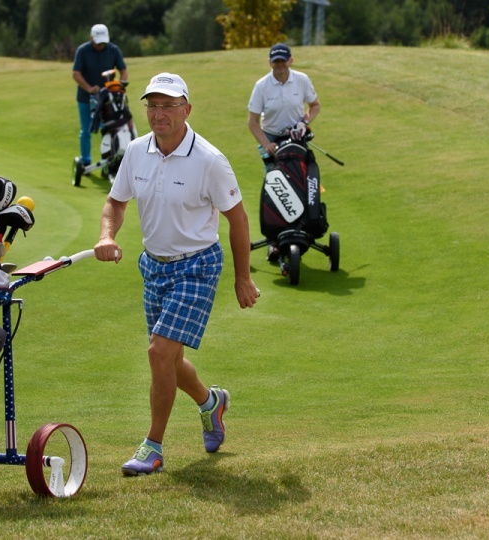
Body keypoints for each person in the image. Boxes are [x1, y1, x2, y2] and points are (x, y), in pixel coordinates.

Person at [94, 72, 260, 476]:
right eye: (152, 105)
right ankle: (210, 402)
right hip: (153, 266)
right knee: (170, 360)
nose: (159, 113)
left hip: (198, 266)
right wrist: (106, 234)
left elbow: (237, 220)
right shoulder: (135, 151)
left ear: (187, 109)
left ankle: (153, 447)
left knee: (158, 353)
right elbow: (115, 202)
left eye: (169, 105)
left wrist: (243, 278)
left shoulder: (210, 160)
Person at [247, 42, 321, 260]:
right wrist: (266, 144)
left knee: (300, 185)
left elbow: (315, 105)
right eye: (276, 62)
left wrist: (305, 121)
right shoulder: (262, 86)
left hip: (296, 138)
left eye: (283, 61)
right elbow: (252, 122)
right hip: (271, 140)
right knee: (276, 188)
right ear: (270, 62)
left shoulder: (302, 80)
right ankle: (274, 241)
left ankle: (300, 229)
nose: (280, 66)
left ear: (291, 61)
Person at [72, 24, 128, 168]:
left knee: (108, 129)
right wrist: (89, 88)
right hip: (86, 98)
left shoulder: (113, 50)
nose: (101, 45)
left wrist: (120, 85)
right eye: (98, 42)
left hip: (107, 99)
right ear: (91, 38)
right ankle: (85, 161)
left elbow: (123, 70)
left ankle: (107, 162)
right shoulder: (83, 51)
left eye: (103, 41)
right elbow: (76, 73)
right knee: (86, 130)